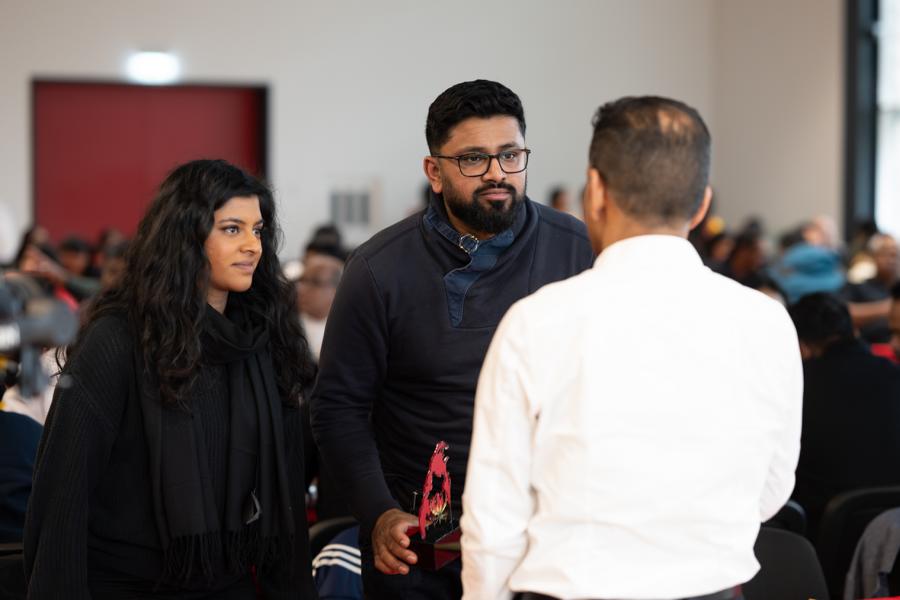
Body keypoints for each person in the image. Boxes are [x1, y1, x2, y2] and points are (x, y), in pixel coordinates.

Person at [461, 96, 803, 600]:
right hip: (712, 591)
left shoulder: (536, 323)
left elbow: (494, 520)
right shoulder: (767, 321)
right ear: (702, 204)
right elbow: (771, 490)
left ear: (595, 191)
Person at [311, 79, 593, 600]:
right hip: (423, 534)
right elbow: (337, 408)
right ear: (434, 172)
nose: (496, 173)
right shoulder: (378, 269)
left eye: (510, 155)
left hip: (547, 530)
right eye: (473, 159)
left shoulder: (577, 249)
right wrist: (378, 512)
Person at [24, 159, 318, 599]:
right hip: (126, 585)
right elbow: (64, 492)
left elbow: (289, 484)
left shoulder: (263, 340)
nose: (252, 246)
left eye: (257, 231)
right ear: (186, 236)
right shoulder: (119, 338)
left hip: (231, 583)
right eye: (232, 229)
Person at [788, 292, 900, 539]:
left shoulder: (796, 386)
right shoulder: (893, 374)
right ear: (854, 332)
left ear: (802, 346)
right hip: (891, 533)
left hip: (821, 535)